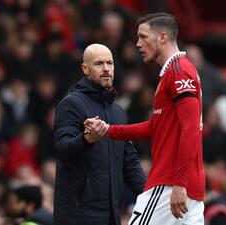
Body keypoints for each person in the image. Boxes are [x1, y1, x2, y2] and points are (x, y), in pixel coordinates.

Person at [85, 13, 205, 225]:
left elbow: (191, 128)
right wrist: (108, 130)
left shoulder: (178, 72)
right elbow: (155, 127)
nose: (138, 44)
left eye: (143, 37)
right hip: (188, 187)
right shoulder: (177, 71)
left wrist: (179, 183)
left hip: (169, 185)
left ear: (162, 37)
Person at [53, 43, 146, 225]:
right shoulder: (70, 104)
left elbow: (129, 161)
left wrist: (150, 195)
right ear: (85, 69)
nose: (106, 69)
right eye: (99, 63)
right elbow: (62, 149)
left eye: (110, 63)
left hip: (111, 213)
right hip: (77, 214)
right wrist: (87, 139)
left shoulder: (118, 111)